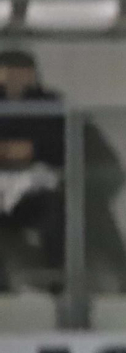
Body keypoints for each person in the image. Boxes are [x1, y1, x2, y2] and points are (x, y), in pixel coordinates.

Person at [0, 50, 64, 290]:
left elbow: (53, 147)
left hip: (33, 186)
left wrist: (28, 151)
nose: (14, 78)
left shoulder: (49, 102)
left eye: (21, 72)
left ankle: (58, 283)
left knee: (55, 212)